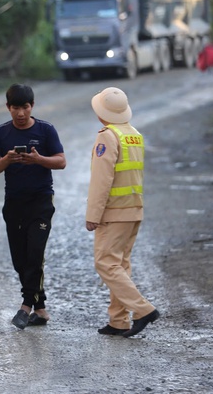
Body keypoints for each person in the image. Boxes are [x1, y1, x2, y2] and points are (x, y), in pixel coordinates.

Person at [0, 84, 66, 329]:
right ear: (8, 107)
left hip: (41, 201)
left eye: (25, 107)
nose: (20, 113)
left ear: (32, 106)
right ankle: (40, 309)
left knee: (35, 254)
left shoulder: (46, 130)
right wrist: (6, 160)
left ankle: (25, 307)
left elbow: (61, 162)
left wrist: (38, 159)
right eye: (15, 108)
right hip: (14, 203)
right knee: (20, 260)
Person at [86, 87, 159, 337]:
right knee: (120, 265)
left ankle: (143, 309)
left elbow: (101, 180)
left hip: (114, 212)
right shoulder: (134, 134)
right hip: (134, 209)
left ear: (101, 113)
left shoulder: (108, 136)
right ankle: (119, 320)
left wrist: (93, 215)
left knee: (105, 263)